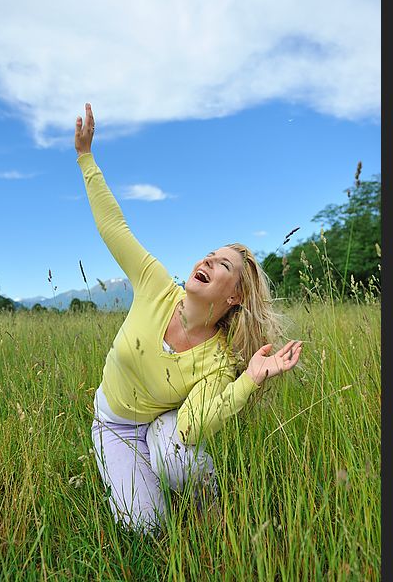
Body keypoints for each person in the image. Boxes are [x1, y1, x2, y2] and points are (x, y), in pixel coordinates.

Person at [75, 103, 303, 536]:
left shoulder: (218, 360)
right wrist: (86, 158)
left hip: (163, 425)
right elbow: (114, 228)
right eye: (210, 255)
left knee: (177, 459)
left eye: (223, 265)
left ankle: (205, 496)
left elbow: (191, 425)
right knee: (147, 528)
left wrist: (248, 380)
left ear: (235, 296)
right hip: (114, 424)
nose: (208, 262)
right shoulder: (155, 285)